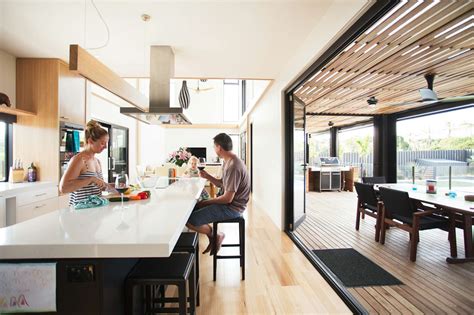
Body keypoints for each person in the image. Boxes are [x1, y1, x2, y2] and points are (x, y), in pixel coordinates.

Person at [186, 133, 250, 255]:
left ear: (219, 147)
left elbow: (227, 198)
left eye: (214, 147)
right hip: (229, 204)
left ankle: (216, 235)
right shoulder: (228, 161)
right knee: (193, 209)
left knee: (188, 219)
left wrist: (205, 203)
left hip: (233, 208)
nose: (214, 149)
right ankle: (214, 236)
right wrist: (207, 176)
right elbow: (222, 184)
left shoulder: (234, 166)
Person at [59, 120, 110, 206]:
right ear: (90, 141)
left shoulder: (97, 161)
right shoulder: (79, 160)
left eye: (106, 143)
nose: (105, 147)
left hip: (95, 213)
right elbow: (63, 188)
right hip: (79, 214)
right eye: (102, 143)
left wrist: (111, 186)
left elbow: (99, 187)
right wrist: (91, 179)